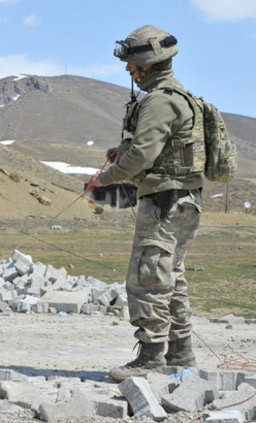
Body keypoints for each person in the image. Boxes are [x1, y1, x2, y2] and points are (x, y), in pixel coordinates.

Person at [86, 25, 204, 382]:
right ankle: (181, 355)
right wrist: (122, 152)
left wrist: (102, 179)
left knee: (148, 279)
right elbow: (158, 147)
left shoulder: (159, 100)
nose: (128, 71)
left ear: (147, 64)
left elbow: (142, 155)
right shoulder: (178, 96)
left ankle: (152, 357)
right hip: (183, 200)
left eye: (132, 64)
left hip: (165, 202)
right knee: (171, 279)